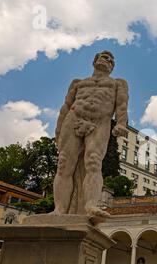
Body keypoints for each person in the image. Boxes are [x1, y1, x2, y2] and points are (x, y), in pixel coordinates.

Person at [52, 50, 129, 220]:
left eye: (110, 60)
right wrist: (58, 130)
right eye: (104, 57)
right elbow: (65, 106)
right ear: (95, 61)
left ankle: (90, 205)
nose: (107, 60)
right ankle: (59, 209)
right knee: (64, 163)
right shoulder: (78, 83)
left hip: (100, 121)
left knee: (93, 161)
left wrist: (122, 123)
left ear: (112, 67)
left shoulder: (118, 83)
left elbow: (122, 106)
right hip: (73, 118)